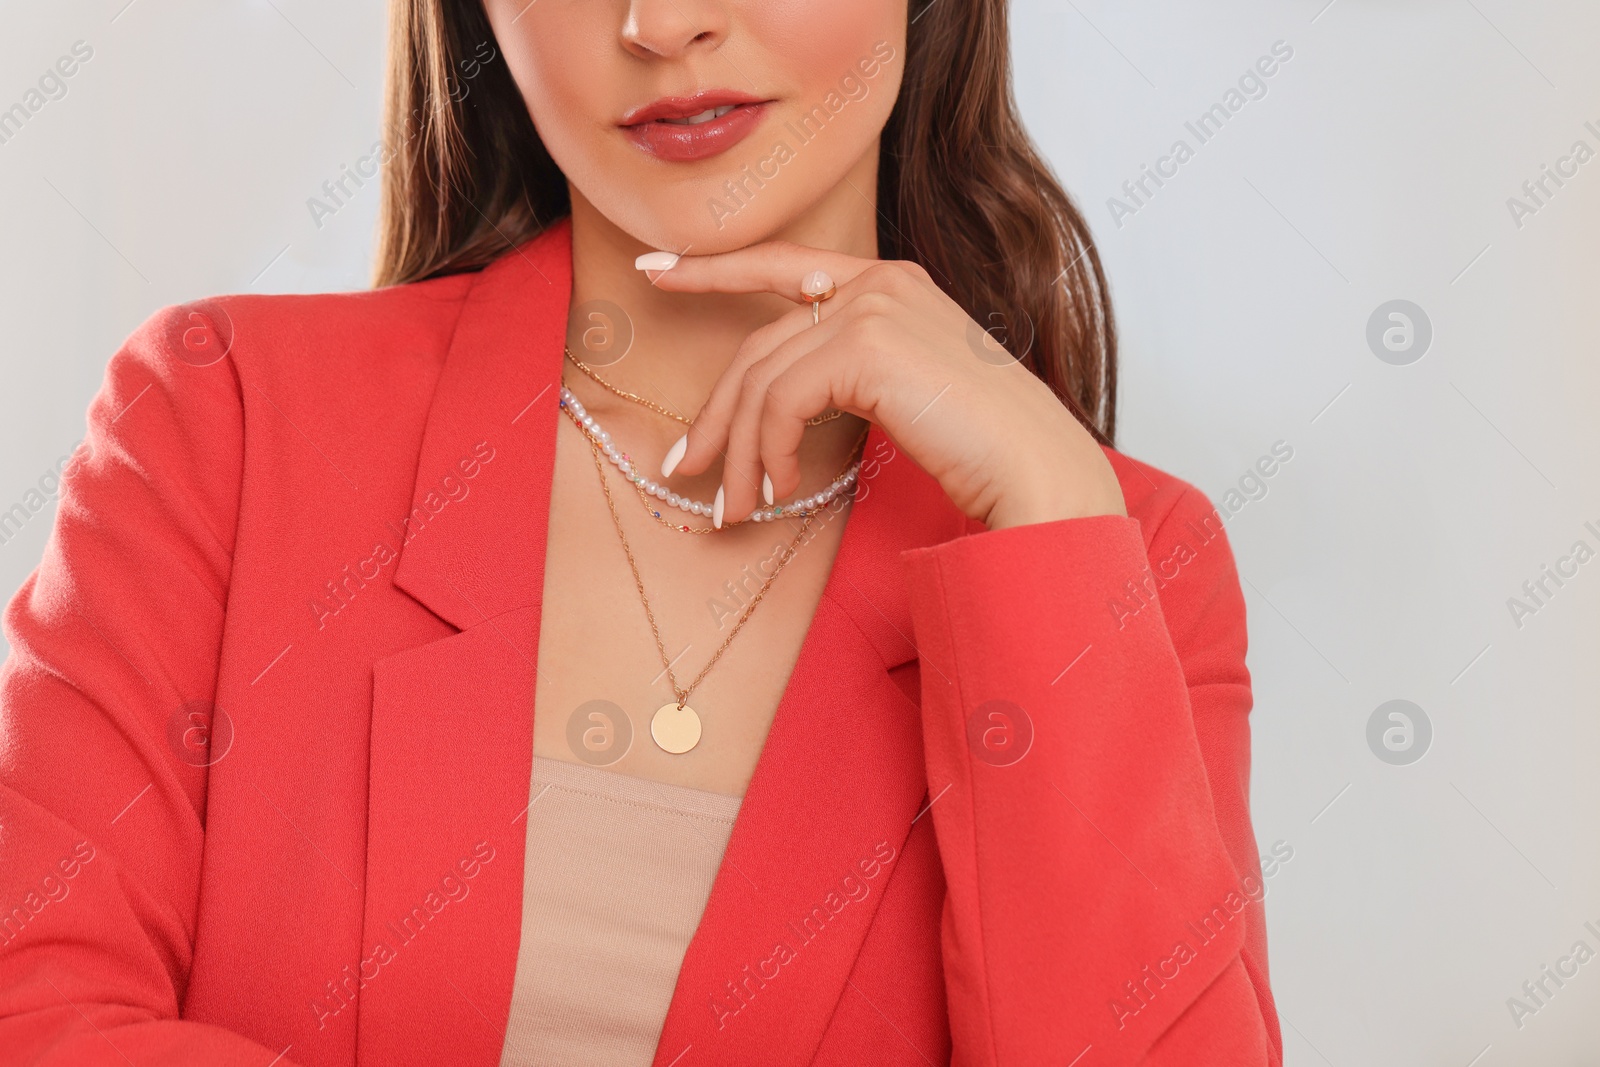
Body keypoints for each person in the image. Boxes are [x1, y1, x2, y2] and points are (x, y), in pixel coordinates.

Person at [0, 0, 1281, 1064]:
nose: (663, 25)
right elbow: (36, 1015)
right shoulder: (226, 419)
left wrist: (1050, 528)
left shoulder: (1123, 555)